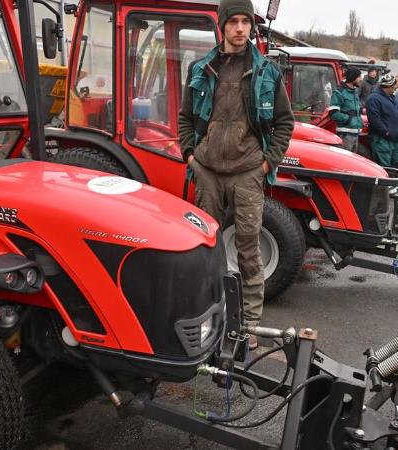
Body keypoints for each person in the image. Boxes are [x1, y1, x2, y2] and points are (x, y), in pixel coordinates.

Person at [178, 0, 294, 350]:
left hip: (247, 173)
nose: (241, 28)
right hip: (208, 172)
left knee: (248, 247)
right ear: (223, 25)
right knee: (205, 246)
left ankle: (252, 325)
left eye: (246, 21)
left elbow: (285, 123)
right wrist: (190, 156)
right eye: (234, 21)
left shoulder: (267, 73)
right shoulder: (201, 68)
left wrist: (266, 164)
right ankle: (204, 316)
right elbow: (184, 118)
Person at [365, 73, 398, 170]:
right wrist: (386, 132)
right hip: (383, 142)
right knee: (384, 169)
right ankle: (384, 186)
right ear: (387, 86)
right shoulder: (374, 99)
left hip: (397, 141)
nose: (396, 87)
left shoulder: (392, 97)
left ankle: (395, 186)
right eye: (393, 85)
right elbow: (374, 120)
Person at [328, 67, 363, 153]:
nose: (361, 79)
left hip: (356, 134)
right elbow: (333, 113)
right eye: (359, 77)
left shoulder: (355, 92)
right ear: (353, 77)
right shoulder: (339, 92)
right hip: (345, 135)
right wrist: (349, 120)